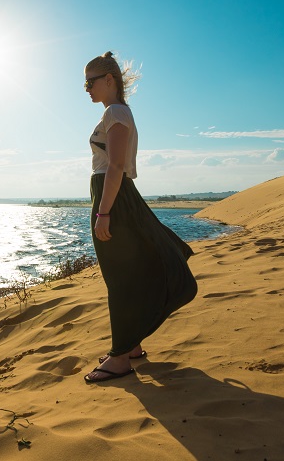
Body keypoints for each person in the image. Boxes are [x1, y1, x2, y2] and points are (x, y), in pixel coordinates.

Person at [82, 51, 197, 384]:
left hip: (113, 197)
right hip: (113, 195)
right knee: (128, 272)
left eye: (90, 81)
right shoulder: (115, 112)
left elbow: (116, 166)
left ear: (109, 80)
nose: (86, 88)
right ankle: (130, 346)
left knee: (119, 279)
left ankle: (119, 359)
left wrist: (103, 212)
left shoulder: (115, 112)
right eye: (84, 82)